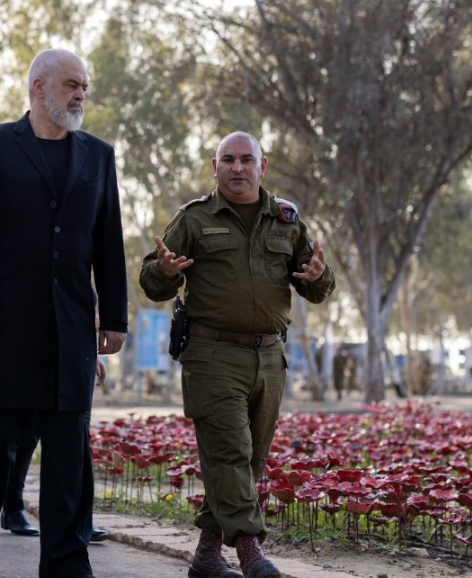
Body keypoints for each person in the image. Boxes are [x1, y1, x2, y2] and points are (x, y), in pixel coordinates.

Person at [0, 48, 128, 578]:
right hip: (3, 326)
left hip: (70, 327)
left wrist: (115, 317)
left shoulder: (98, 155)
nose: (81, 94)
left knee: (68, 455)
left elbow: (108, 241)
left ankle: (66, 562)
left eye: (84, 86)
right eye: (71, 84)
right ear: (38, 87)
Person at [140, 132, 335, 578]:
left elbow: (316, 285)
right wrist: (165, 270)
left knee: (248, 462)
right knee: (230, 453)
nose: (238, 167)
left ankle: (207, 558)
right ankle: (250, 552)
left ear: (262, 167)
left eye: (247, 159)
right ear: (215, 167)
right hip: (212, 356)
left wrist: (319, 277)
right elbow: (152, 281)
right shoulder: (194, 218)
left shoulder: (286, 220)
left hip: (270, 358)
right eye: (228, 159)